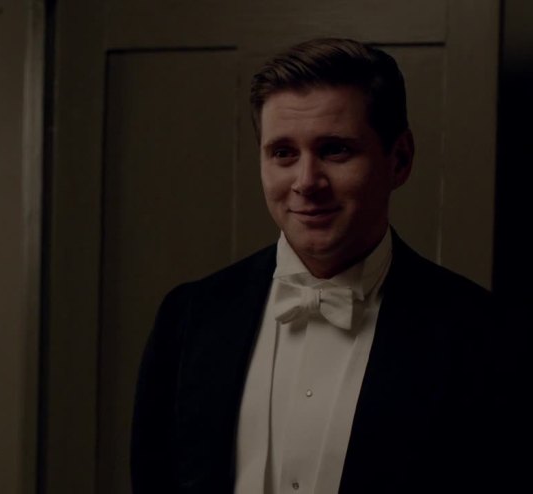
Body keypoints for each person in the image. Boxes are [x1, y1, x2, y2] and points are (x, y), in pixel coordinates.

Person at [131, 38, 508, 494]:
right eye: (283, 153)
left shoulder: (482, 334)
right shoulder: (188, 317)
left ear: (400, 159)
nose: (306, 182)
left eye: (334, 150)